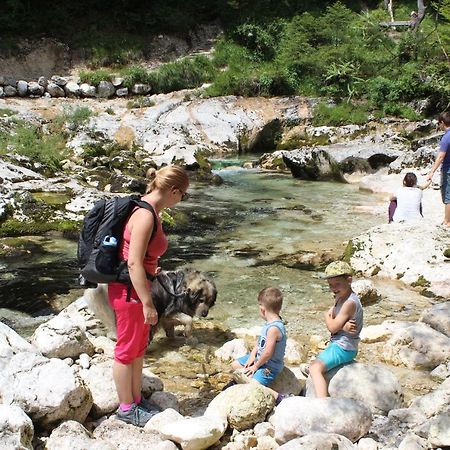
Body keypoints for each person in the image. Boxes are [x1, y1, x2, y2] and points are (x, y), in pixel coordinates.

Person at [108, 165, 189, 427]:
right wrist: (146, 302)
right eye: (183, 195)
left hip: (140, 286)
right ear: (174, 191)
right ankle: (126, 408)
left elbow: (143, 257)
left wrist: (154, 271)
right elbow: (132, 263)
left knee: (138, 349)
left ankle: (135, 400)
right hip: (131, 291)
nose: (181, 200)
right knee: (126, 350)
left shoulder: (151, 211)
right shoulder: (144, 215)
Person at [309, 261, 363, 398]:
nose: (333, 288)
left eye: (337, 284)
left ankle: (323, 402)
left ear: (349, 280)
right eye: (330, 285)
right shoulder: (341, 296)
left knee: (315, 369)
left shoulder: (350, 303)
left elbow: (332, 326)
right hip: (339, 343)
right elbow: (334, 314)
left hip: (344, 347)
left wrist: (327, 317)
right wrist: (342, 325)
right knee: (317, 362)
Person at [230, 287, 288, 405]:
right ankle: (243, 380)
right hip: (259, 358)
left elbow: (268, 353)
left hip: (270, 366)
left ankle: (279, 397)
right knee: (234, 365)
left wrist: (255, 366)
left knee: (254, 386)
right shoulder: (269, 323)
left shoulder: (274, 329)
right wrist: (252, 355)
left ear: (262, 309)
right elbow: (259, 342)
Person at [427, 112, 450, 227]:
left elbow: (441, 156)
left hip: (448, 170)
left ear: (442, 122)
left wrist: (432, 172)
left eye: (439, 123)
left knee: (448, 195)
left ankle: (447, 221)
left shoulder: (446, 138)